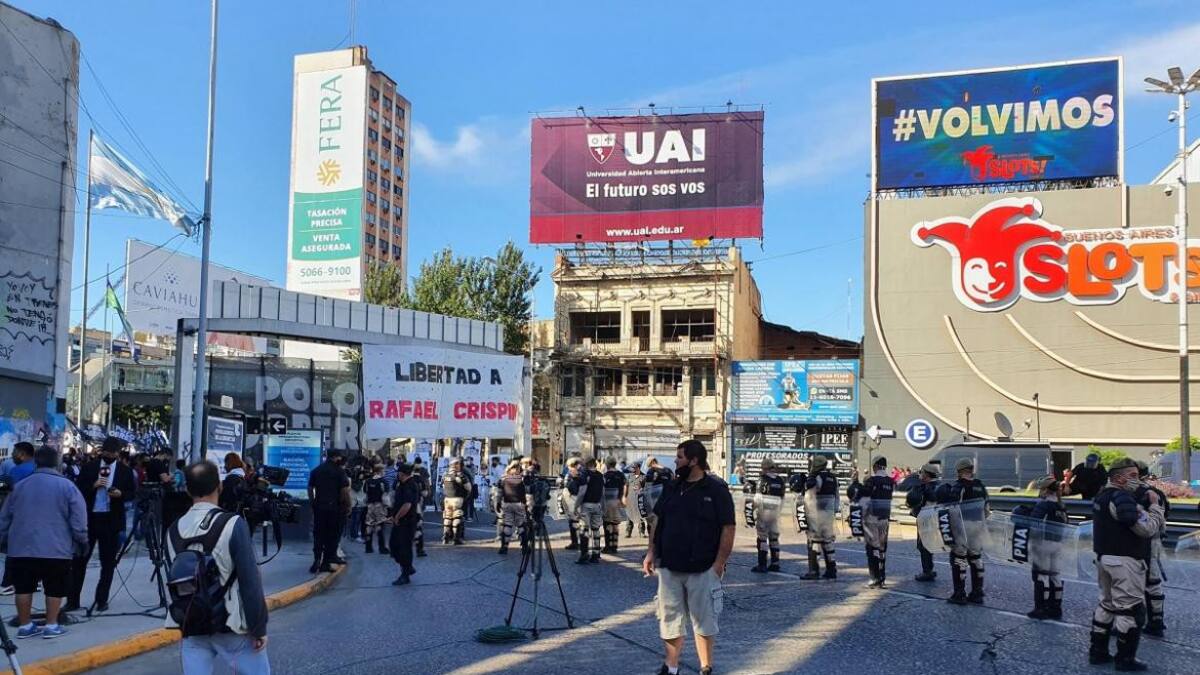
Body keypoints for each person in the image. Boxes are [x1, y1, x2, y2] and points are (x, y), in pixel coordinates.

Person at [166, 460, 269, 674]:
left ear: (187, 489)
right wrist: (259, 627)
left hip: (191, 622)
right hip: (230, 623)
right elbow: (250, 581)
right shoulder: (233, 524)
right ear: (219, 487)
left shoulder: (173, 530)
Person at [642, 440, 734, 675]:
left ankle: (705, 666)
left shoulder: (716, 489)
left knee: (704, 620)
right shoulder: (672, 487)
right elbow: (657, 520)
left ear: (694, 461)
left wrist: (719, 564)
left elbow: (728, 528)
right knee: (669, 619)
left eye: (680, 457)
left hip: (703, 567)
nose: (675, 461)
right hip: (669, 566)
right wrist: (651, 551)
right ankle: (671, 667)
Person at [0, 446, 88, 638]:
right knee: (55, 588)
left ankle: (25, 626)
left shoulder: (20, 486)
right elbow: (78, 520)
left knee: (23, 588)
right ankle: (51, 625)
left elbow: (4, 518)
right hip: (55, 549)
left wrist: (4, 542)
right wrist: (82, 541)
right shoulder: (67, 487)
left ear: (36, 462)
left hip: (21, 548)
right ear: (57, 463)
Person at [1088, 458, 1166, 671]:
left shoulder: (1102, 495)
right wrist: (1155, 507)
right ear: (1118, 478)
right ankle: (1125, 659)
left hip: (1104, 558)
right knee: (1130, 610)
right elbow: (1147, 529)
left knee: (1106, 604)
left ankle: (1098, 652)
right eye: (1132, 476)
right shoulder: (1121, 498)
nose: (1137, 480)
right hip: (1125, 561)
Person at [69, 436, 137, 612]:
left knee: (107, 563)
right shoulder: (90, 468)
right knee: (79, 561)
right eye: (106, 453)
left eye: (113, 453)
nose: (109, 456)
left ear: (117, 453)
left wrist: (121, 494)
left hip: (111, 520)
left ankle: (101, 599)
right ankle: (72, 600)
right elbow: (77, 491)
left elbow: (132, 493)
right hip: (90, 519)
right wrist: (93, 486)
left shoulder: (124, 471)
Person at [937, 458, 989, 605]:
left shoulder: (958, 487)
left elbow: (953, 510)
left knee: (959, 558)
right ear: (971, 470)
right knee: (976, 558)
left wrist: (951, 530)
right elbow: (986, 510)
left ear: (959, 471)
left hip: (963, 526)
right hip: (978, 525)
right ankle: (977, 593)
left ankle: (959, 594)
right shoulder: (981, 486)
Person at [1024, 476, 1068, 620]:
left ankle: (1041, 608)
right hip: (1058, 544)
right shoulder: (1061, 506)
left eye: (1041, 488)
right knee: (1055, 575)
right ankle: (1056, 608)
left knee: (1041, 575)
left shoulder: (1043, 505)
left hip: (1044, 543)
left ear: (1046, 490)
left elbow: (1035, 525)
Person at [1134, 461, 1170, 638]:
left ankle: (1131, 622)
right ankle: (1156, 620)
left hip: (1138, 541)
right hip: (1155, 541)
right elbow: (1166, 514)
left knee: (1133, 583)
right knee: (1153, 582)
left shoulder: (1132, 493)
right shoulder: (1158, 493)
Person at [852, 456, 895, 589]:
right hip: (885, 518)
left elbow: (863, 498)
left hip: (872, 517)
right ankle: (882, 576)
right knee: (882, 548)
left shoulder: (872, 480)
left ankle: (874, 578)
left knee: (872, 548)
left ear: (875, 466)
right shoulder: (890, 481)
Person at [307, 449, 350, 574]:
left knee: (319, 534)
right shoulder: (339, 471)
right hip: (335, 509)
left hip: (320, 507)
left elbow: (310, 488)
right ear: (336, 457)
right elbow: (344, 491)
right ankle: (326, 561)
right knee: (332, 535)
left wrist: (313, 502)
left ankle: (316, 559)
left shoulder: (317, 470)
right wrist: (347, 505)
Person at [800, 455, 839, 581]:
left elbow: (810, 498)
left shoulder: (816, 478)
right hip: (829, 514)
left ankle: (813, 570)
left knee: (814, 541)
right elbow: (837, 497)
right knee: (828, 541)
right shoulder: (833, 478)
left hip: (817, 513)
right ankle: (831, 569)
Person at [905, 463, 941, 582]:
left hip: (926, 520)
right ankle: (929, 570)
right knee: (927, 546)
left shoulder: (926, 487)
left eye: (921, 472)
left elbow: (913, 501)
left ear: (926, 474)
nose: (920, 474)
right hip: (934, 519)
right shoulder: (939, 486)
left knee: (923, 546)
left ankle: (927, 572)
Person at [750, 458, 786, 574]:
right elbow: (783, 498)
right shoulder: (780, 480)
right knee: (774, 538)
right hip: (775, 512)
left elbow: (758, 498)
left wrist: (753, 508)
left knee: (762, 538)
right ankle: (775, 563)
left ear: (764, 468)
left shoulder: (762, 479)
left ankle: (762, 564)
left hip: (764, 511)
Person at [389, 463, 421, 585]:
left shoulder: (410, 485)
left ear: (402, 474)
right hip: (400, 521)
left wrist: (397, 517)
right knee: (394, 546)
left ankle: (405, 574)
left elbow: (407, 505)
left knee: (404, 549)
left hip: (406, 522)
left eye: (398, 473)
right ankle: (408, 567)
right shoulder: (401, 484)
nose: (397, 474)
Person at [571, 457, 605, 564]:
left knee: (584, 529)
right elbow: (603, 492)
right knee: (596, 530)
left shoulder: (585, 474)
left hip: (586, 505)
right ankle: (595, 554)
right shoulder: (600, 475)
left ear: (586, 464)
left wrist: (576, 506)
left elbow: (582, 491)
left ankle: (584, 554)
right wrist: (603, 506)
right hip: (597, 505)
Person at [497, 461, 528, 555]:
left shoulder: (503, 479)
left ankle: (504, 547)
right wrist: (526, 505)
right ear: (518, 469)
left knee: (507, 525)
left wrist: (497, 503)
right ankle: (524, 547)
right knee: (521, 525)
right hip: (519, 504)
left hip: (507, 504)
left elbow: (499, 493)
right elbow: (525, 493)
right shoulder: (521, 479)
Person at [600, 457, 627, 554]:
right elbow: (625, 486)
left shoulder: (605, 475)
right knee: (615, 524)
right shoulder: (620, 475)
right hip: (617, 502)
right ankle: (614, 546)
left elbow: (601, 490)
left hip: (607, 502)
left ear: (607, 464)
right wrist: (623, 497)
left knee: (607, 524)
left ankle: (608, 546)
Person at [441, 458, 469, 545]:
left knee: (447, 517)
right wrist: (465, 496)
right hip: (457, 499)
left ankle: (445, 537)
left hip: (447, 499)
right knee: (457, 518)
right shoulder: (461, 476)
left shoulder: (445, 475)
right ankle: (456, 538)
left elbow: (442, 486)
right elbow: (468, 488)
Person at [364, 463, 391, 555]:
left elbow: (365, 493)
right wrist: (388, 508)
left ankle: (368, 547)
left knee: (369, 525)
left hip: (370, 505)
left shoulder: (368, 481)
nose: (384, 472)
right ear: (380, 471)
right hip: (380, 505)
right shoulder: (383, 482)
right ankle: (382, 547)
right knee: (380, 526)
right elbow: (385, 496)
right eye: (383, 471)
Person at [562, 457, 583, 551]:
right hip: (581, 498)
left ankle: (575, 542)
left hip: (572, 498)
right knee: (579, 521)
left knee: (573, 521)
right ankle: (580, 541)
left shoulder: (570, 473)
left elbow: (566, 485)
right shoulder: (582, 472)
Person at [625, 461, 647, 539]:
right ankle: (628, 532)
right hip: (630, 498)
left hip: (639, 499)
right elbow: (626, 486)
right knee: (629, 516)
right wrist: (624, 497)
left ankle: (641, 532)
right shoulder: (629, 476)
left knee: (640, 516)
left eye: (634, 468)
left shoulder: (643, 476)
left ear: (638, 468)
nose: (632, 469)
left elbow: (645, 489)